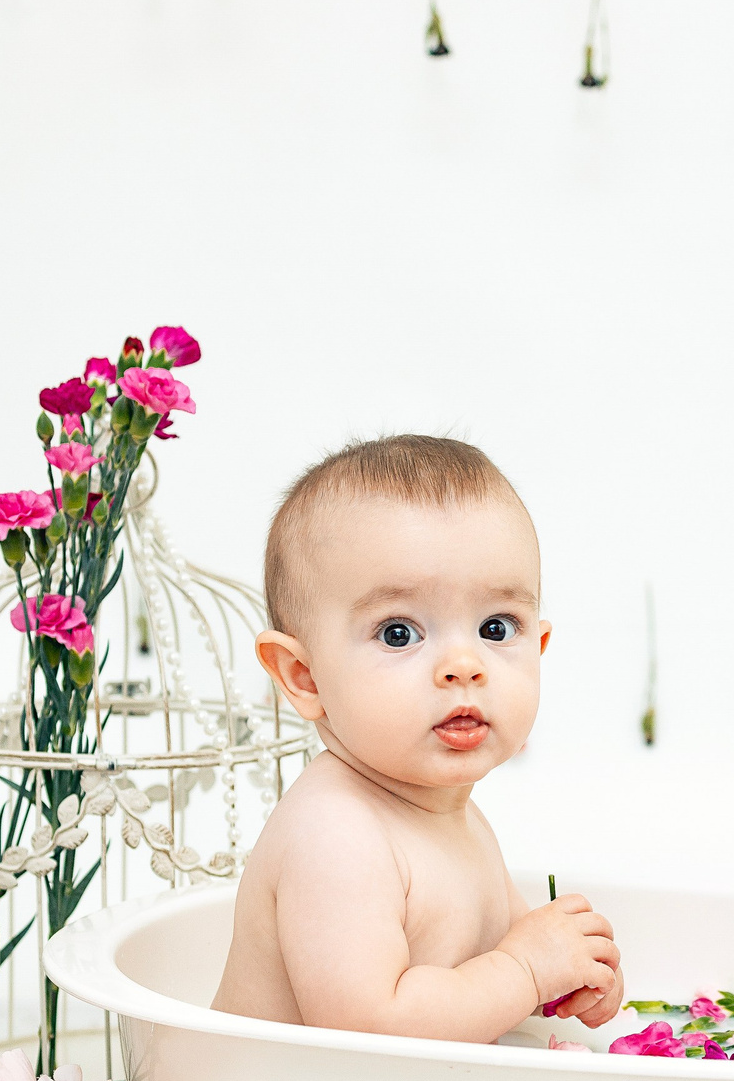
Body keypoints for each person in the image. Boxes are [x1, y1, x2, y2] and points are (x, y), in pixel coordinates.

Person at [211, 435, 625, 1040]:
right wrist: (525, 969)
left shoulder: (455, 814)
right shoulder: (335, 834)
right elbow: (374, 1026)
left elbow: (488, 971)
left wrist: (566, 972)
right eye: (400, 633)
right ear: (304, 677)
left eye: (495, 626)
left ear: (538, 648)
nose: (463, 664)